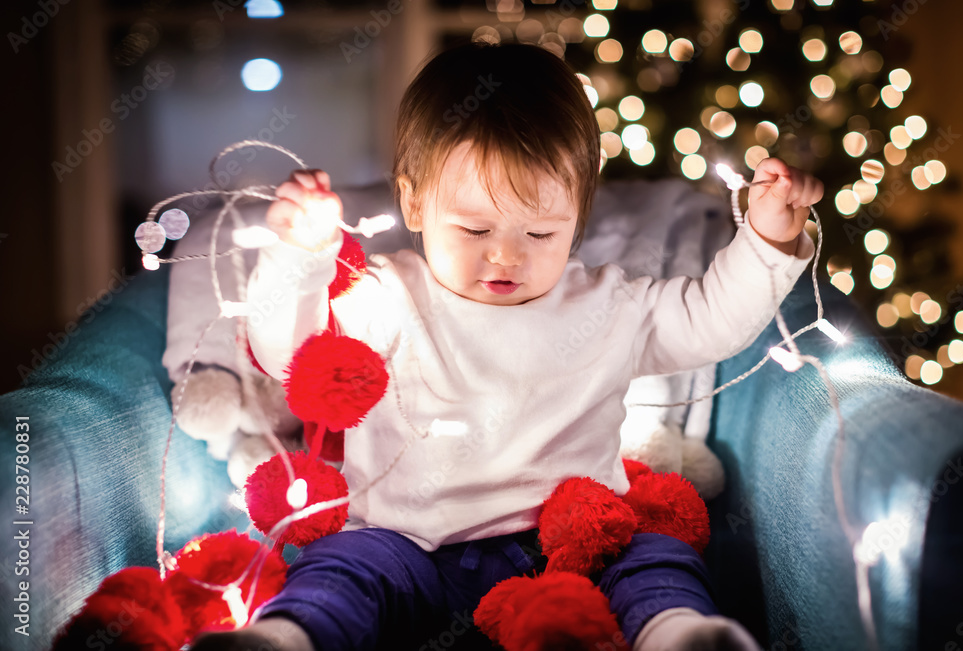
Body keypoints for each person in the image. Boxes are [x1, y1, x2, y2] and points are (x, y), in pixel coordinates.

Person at [190, 41, 822, 651]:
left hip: (568, 550)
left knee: (652, 557)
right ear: (413, 200)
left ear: (578, 212)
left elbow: (711, 320)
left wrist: (766, 244)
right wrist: (297, 260)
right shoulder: (384, 296)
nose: (506, 255)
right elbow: (291, 356)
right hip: (406, 545)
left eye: (542, 232)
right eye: (474, 227)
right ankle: (285, 637)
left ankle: (680, 633)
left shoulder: (608, 307)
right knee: (340, 569)